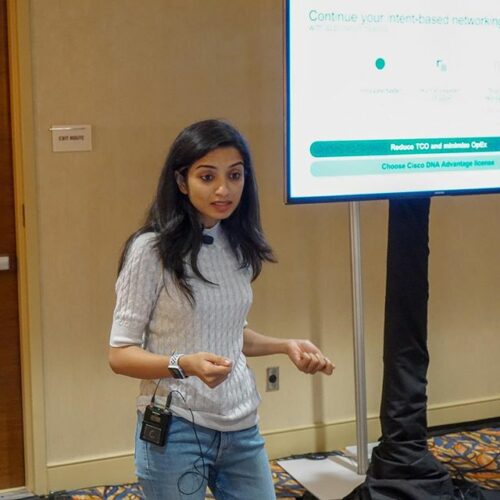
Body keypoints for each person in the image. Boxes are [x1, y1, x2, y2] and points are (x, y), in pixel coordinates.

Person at [108, 119, 334, 500]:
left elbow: (229, 333)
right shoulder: (150, 250)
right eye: (207, 176)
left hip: (240, 424)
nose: (223, 189)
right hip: (175, 426)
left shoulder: (237, 242)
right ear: (182, 182)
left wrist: (285, 345)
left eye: (235, 175)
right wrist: (184, 364)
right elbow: (120, 354)